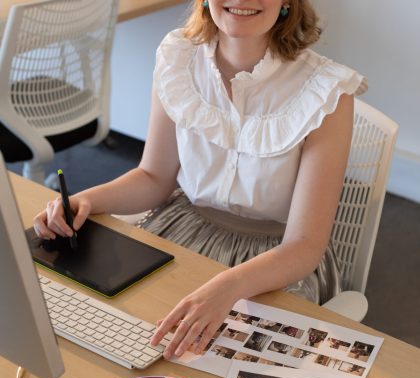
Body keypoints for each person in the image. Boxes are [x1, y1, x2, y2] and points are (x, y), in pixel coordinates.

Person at [33, 0, 367, 359]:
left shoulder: (328, 91)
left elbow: (305, 245)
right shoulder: (179, 57)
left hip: (276, 261)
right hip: (183, 231)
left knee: (214, 373)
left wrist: (230, 285)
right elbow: (153, 177)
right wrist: (87, 200)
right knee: (118, 339)